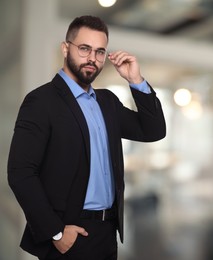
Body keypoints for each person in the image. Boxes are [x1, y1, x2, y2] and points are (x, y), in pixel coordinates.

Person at [7, 15, 166, 260]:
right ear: (65, 48)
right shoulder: (41, 102)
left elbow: (153, 130)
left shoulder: (108, 102)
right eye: (84, 48)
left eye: (100, 51)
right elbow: (20, 173)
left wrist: (135, 80)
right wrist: (56, 233)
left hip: (107, 232)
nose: (92, 58)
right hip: (69, 233)